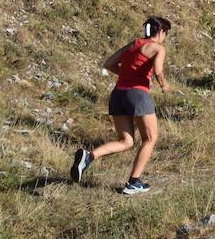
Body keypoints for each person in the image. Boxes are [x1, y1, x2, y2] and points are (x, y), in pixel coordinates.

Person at [70, 16, 172, 195]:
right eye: (166, 34)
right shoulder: (158, 48)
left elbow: (109, 64)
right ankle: (133, 183)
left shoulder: (133, 44)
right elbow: (158, 70)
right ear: (161, 32)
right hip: (137, 95)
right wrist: (164, 85)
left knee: (126, 141)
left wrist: (128, 73)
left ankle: (89, 156)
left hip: (118, 94)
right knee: (150, 138)